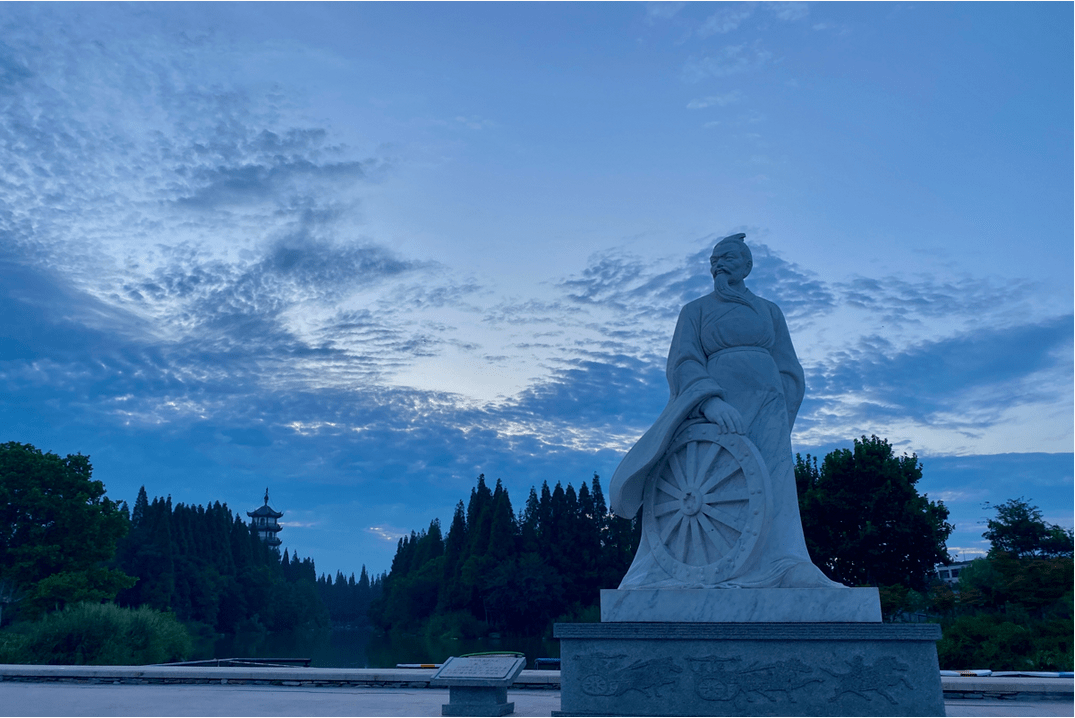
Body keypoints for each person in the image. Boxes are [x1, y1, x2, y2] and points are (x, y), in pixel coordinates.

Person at [609, 233, 840, 589]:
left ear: (747, 266)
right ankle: (695, 563)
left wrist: (783, 404)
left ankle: (786, 561)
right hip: (718, 409)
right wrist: (710, 402)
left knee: (775, 481)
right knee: (712, 481)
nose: (719, 263)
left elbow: (788, 366)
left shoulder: (770, 311)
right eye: (714, 259)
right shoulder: (695, 311)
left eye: (728, 257)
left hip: (769, 408)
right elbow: (683, 362)